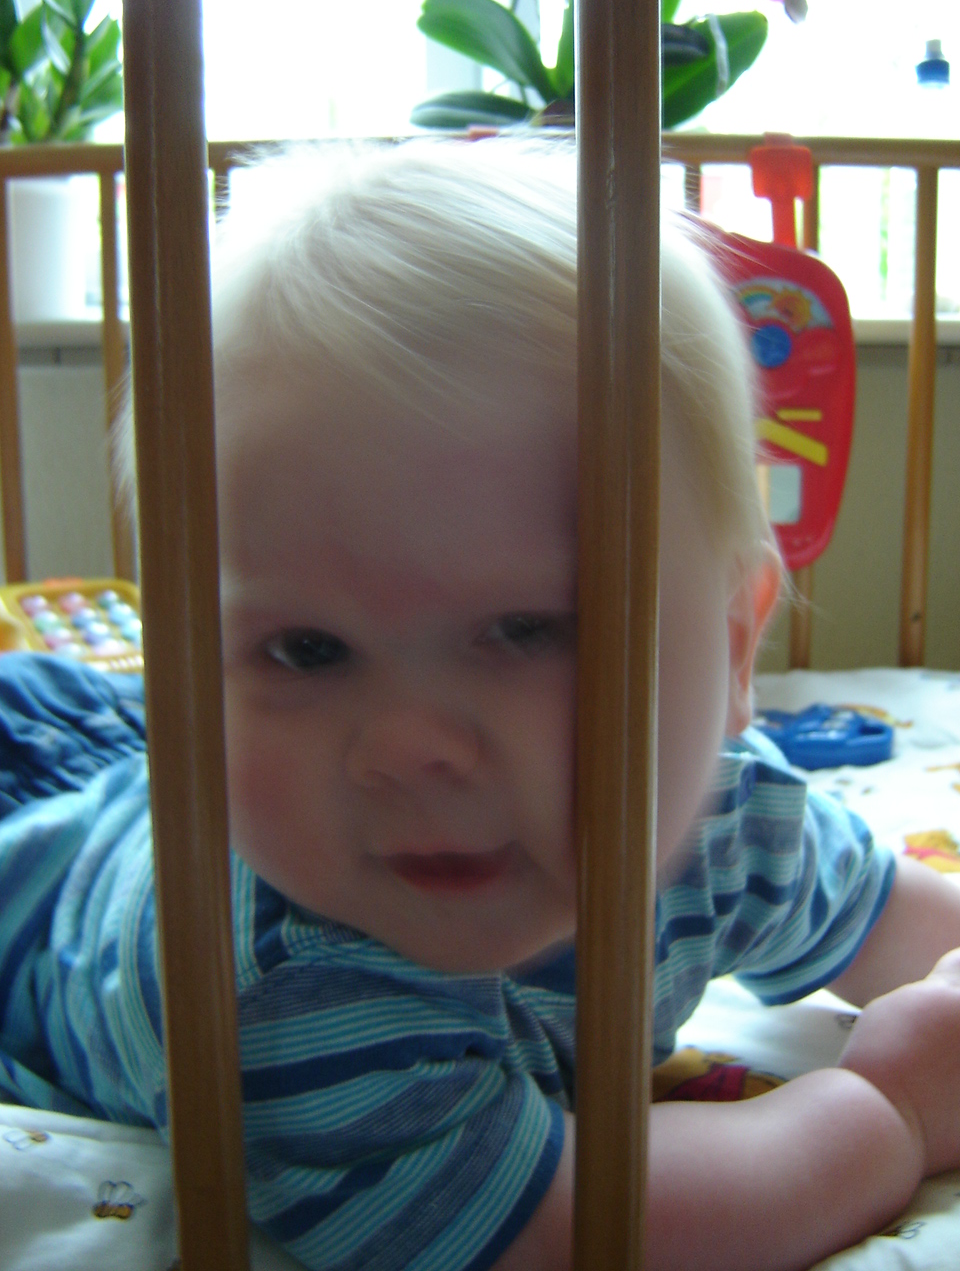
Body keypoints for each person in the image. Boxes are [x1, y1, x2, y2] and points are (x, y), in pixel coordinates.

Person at [2, 135, 960, 1271]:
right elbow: (558, 1229)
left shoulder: (731, 822)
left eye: (526, 630)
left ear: (734, 645)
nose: (410, 746)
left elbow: (908, 923)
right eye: (307, 649)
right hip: (44, 875)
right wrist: (895, 1109)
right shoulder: (283, 992)